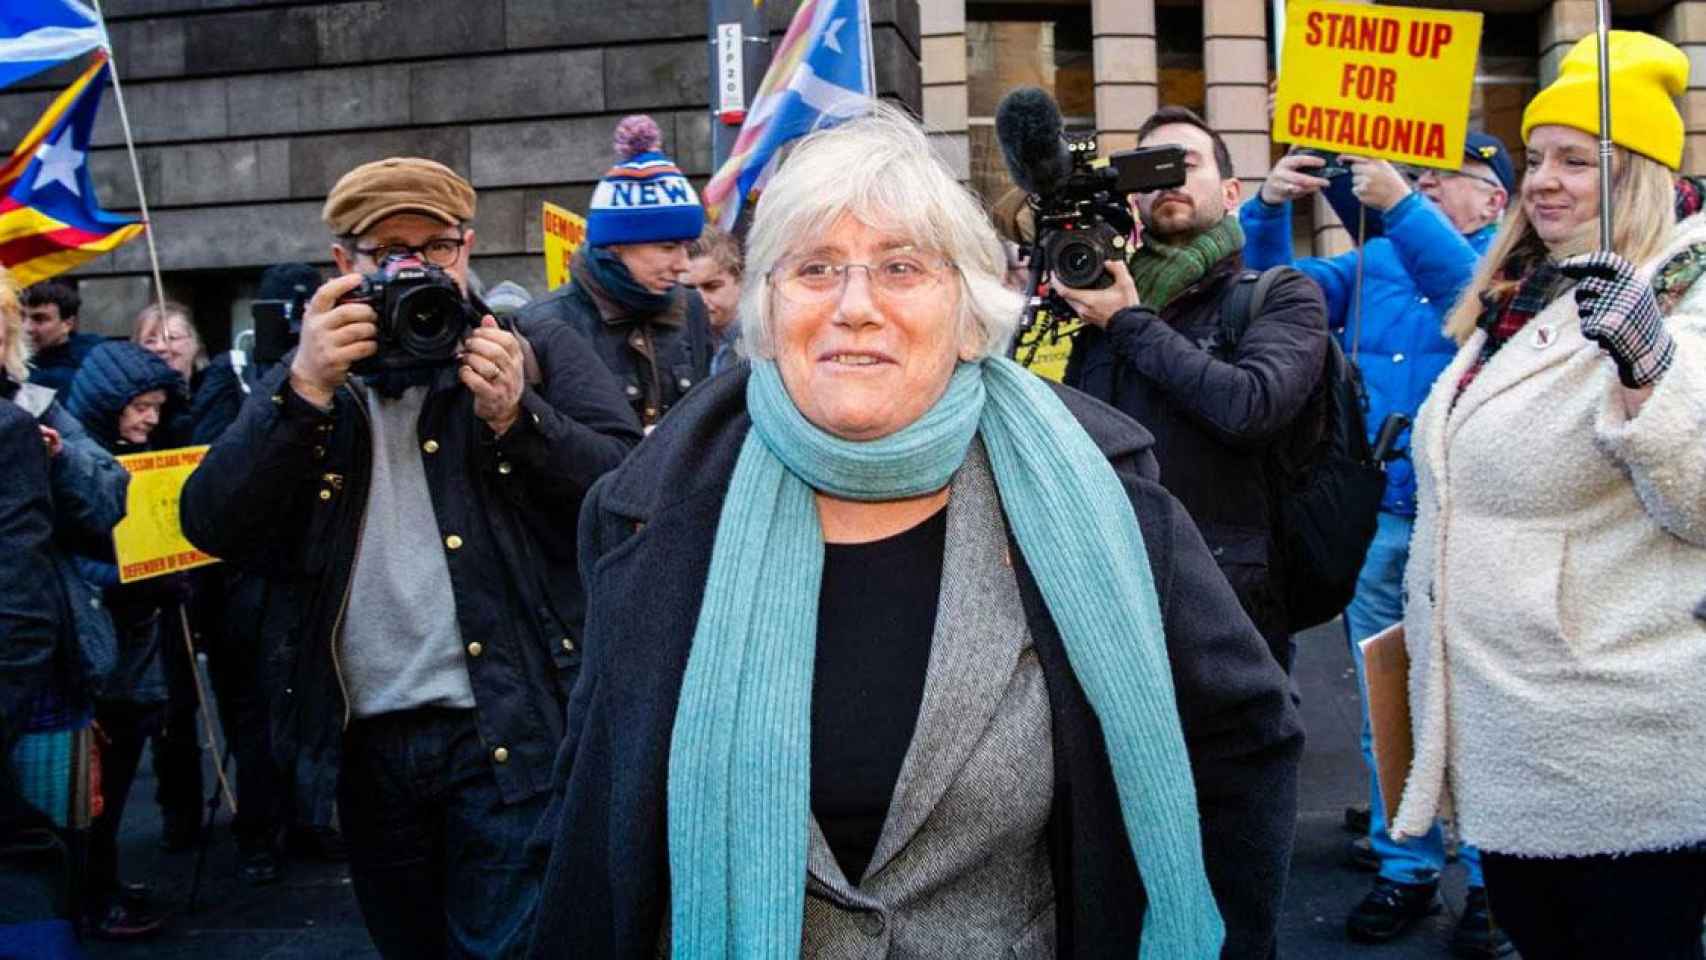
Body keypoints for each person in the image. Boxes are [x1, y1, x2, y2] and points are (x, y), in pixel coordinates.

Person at [528, 104, 1302, 960]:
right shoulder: (646, 513)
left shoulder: (1110, 502)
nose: (854, 306)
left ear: (972, 314)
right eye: (815, 268)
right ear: (765, 310)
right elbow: (590, 803)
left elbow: (1242, 745)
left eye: (901, 267)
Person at [179, 156, 642, 958]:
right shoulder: (306, 371)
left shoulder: (532, 346)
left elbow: (627, 496)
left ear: (466, 250)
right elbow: (214, 524)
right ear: (342, 263)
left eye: (434, 248)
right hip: (364, 740)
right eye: (385, 250)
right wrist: (304, 390)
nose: (412, 268)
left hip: (504, 725)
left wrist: (517, 418)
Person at [1392, 31, 1706, 960]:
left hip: (1615, 736)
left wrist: (1649, 372)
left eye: (1579, 160)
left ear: (1640, 173)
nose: (1545, 181)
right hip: (1513, 726)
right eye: (1535, 159)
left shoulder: (1684, 293)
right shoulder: (1526, 292)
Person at [1241, 137, 1515, 954]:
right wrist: (1269, 207)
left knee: (1478, 707)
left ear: (1493, 202)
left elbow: (1467, 296)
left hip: (1463, 518)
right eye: (1420, 177)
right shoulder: (1373, 261)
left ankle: (1494, 886)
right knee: (1385, 700)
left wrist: (1399, 202)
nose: (1425, 184)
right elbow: (1271, 290)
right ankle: (1407, 866)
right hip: (1379, 516)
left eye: (1444, 179)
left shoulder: (1500, 269)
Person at [1057, 105, 1329, 673]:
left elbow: (1251, 407)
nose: (1167, 182)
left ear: (1232, 193)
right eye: (1148, 171)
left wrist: (1130, 324)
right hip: (1111, 590)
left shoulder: (1279, 295)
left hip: (1231, 597)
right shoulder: (1097, 306)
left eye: (1183, 164)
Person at [64, 339, 189, 940]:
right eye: (140, 407)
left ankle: (105, 880)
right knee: (93, 795)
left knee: (112, 792)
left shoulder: (142, 453)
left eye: (157, 407)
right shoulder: (74, 464)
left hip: (138, 654)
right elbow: (65, 557)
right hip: (97, 656)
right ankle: (92, 893)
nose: (150, 419)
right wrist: (126, 581)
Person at [518, 115, 713, 429]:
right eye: (667, 247)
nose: (684, 265)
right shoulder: (540, 323)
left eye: (686, 247)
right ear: (616, 245)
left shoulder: (690, 308)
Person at [22, 280, 103, 394]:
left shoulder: (94, 366)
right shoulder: (10, 361)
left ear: (67, 324)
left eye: (39, 319)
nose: (26, 328)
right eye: (22, 317)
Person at [684, 224, 743, 373]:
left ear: (739, 279)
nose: (700, 300)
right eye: (688, 290)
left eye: (711, 286)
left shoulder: (765, 344)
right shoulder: (676, 343)